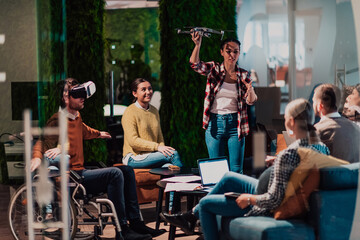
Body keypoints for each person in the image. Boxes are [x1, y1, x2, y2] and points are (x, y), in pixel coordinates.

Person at [161, 98, 330, 240]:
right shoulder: (321, 148)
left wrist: (248, 199)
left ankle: (192, 216)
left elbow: (273, 199)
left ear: (292, 122)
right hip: (273, 188)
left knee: (205, 203)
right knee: (229, 177)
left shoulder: (290, 154)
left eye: (286, 118)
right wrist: (278, 161)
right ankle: (191, 216)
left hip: (266, 203)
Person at [30, 78, 164, 240]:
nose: (83, 98)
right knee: (115, 173)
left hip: (81, 173)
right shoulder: (58, 119)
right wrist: (37, 158)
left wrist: (98, 134)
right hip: (73, 177)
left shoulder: (76, 117)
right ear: (66, 98)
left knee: (127, 170)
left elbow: (85, 130)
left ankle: (136, 222)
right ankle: (122, 230)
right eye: (78, 94)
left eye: (83, 94)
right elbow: (43, 142)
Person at [189, 31, 257, 173]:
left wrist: (250, 90)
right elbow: (195, 65)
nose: (232, 55)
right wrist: (197, 44)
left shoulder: (243, 74)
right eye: (228, 51)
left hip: (236, 124)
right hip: (215, 122)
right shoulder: (214, 69)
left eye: (235, 52)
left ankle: (234, 195)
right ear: (222, 52)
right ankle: (218, 195)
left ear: (239, 54)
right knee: (215, 169)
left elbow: (251, 101)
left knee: (236, 169)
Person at [121, 78, 183, 169]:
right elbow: (133, 141)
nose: (148, 92)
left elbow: (160, 137)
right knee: (173, 154)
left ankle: (175, 182)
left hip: (152, 155)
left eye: (150, 89)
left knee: (169, 167)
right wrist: (157, 147)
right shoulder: (130, 112)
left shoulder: (154, 111)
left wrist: (162, 149)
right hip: (134, 158)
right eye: (143, 89)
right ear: (135, 93)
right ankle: (185, 180)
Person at [313, 84, 360, 163]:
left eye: (314, 101)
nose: (348, 97)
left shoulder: (317, 131)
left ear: (319, 106)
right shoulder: (355, 128)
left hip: (330, 175)